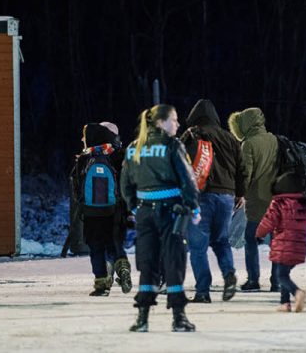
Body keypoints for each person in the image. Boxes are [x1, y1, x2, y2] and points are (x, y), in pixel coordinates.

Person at [120, 104, 200, 332]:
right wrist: (193, 207)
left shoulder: (134, 147)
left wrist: (134, 207)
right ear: (160, 122)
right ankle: (179, 318)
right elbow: (188, 179)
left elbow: (125, 183)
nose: (177, 124)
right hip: (171, 211)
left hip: (145, 212)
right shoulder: (172, 145)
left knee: (147, 262)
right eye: (174, 120)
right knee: (174, 261)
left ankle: (142, 318)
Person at [180, 99, 246, 303]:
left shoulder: (192, 135)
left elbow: (182, 166)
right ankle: (229, 274)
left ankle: (203, 291)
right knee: (221, 241)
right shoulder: (229, 137)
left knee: (198, 246)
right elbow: (241, 168)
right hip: (226, 196)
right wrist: (240, 193)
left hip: (201, 196)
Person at [70, 122, 133, 296]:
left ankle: (101, 284)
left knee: (96, 246)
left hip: (91, 212)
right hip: (114, 209)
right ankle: (121, 265)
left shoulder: (84, 158)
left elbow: (76, 185)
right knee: (114, 242)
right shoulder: (116, 155)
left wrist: (82, 202)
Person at [255, 174, 306, 312]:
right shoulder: (304, 203)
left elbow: (268, 221)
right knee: (284, 274)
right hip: (299, 247)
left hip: (283, 246)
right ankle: (285, 304)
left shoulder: (279, 203)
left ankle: (297, 292)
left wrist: (259, 235)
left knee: (281, 276)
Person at [228, 107, 279, 292]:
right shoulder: (273, 139)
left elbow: (246, 173)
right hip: (275, 196)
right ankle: (277, 280)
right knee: (276, 238)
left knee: (250, 237)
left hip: (257, 198)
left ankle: (253, 279)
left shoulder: (248, 143)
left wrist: (239, 193)